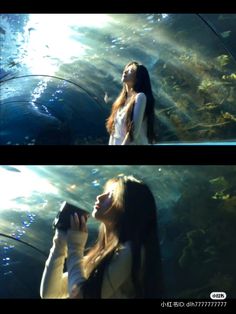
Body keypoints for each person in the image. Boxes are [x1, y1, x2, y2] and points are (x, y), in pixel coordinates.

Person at [40, 175, 164, 298]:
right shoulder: (98, 256)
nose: (100, 197)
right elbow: (50, 294)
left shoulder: (131, 251)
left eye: (111, 195)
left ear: (127, 207)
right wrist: (60, 241)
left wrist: (76, 246)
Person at [106, 61, 156, 145]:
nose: (125, 72)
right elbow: (114, 133)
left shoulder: (140, 97)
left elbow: (133, 133)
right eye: (126, 69)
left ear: (138, 77)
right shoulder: (121, 101)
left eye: (130, 71)